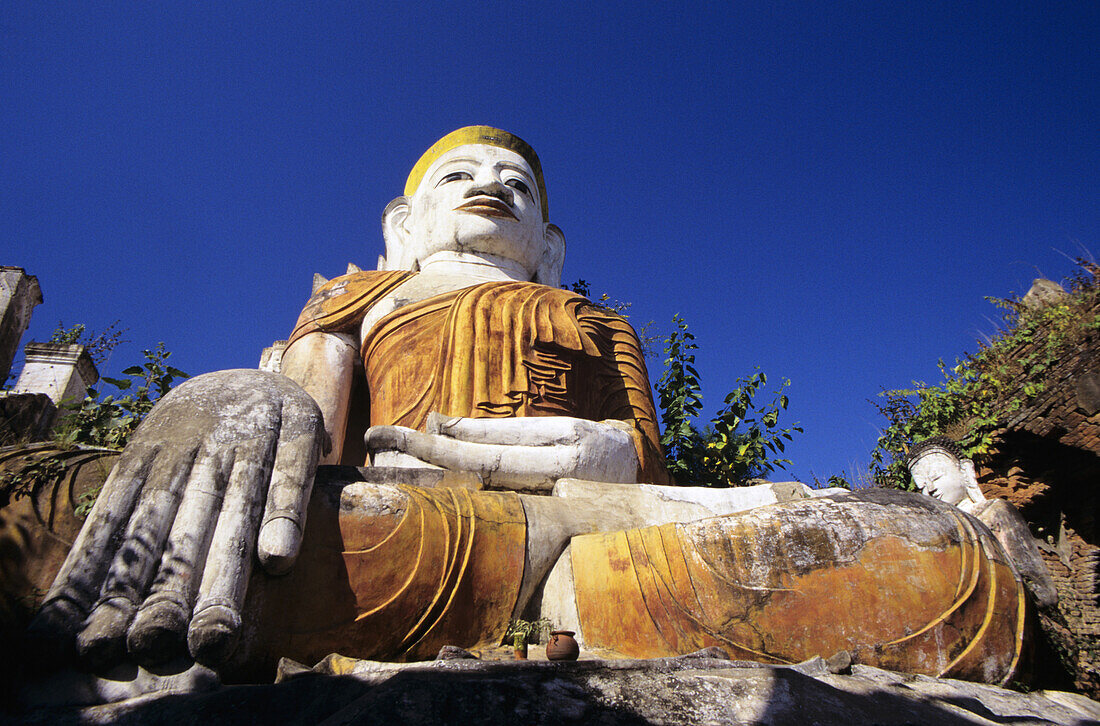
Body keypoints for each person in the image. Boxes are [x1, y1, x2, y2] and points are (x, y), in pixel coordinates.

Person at [32, 128, 1030, 686]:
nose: (489, 190)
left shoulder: (595, 320)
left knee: (937, 555)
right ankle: (583, 612)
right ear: (403, 222)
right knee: (62, 509)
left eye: (516, 183)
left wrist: (593, 454)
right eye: (459, 177)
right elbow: (294, 450)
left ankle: (580, 605)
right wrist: (227, 397)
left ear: (549, 239)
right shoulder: (356, 302)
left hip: (584, 524)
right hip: (391, 519)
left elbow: (645, 466)